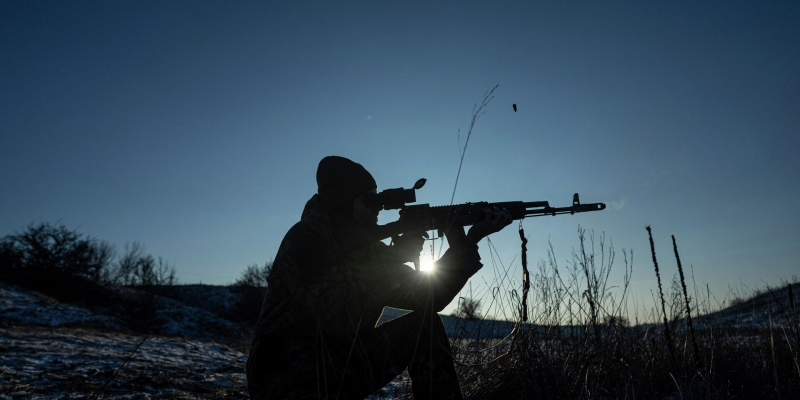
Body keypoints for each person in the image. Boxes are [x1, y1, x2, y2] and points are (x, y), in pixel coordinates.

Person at [246, 156, 513, 400]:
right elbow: (338, 318)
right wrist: (393, 258)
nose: (378, 210)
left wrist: (465, 244)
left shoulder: (368, 247)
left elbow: (428, 298)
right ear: (342, 202)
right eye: (368, 201)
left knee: (422, 323)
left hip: (336, 365)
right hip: (287, 379)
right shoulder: (307, 238)